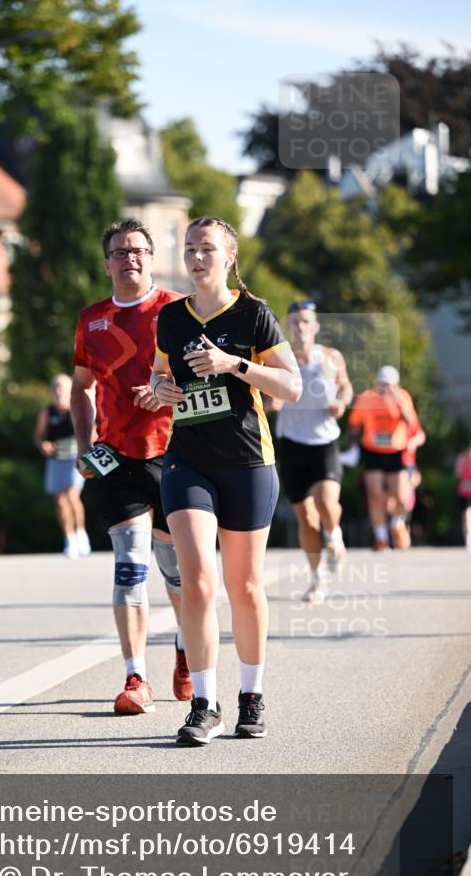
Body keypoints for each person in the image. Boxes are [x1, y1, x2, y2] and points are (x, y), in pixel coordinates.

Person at [151, 216, 302, 746]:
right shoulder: (170, 318)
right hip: (187, 460)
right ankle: (203, 704)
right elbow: (160, 372)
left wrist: (233, 364)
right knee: (196, 581)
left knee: (245, 585)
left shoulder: (254, 315)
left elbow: (292, 387)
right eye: (189, 248)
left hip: (246, 462)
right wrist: (160, 389)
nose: (196, 257)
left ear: (229, 257)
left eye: (206, 249)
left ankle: (251, 696)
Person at [71, 218, 192, 715]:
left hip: (177, 455)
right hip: (116, 457)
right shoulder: (92, 319)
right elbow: (80, 387)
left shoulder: (176, 311)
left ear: (152, 256)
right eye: (120, 252)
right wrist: (85, 446)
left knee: (177, 572)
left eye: (138, 250)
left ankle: (186, 648)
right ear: (107, 263)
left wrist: (164, 392)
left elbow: (203, 381)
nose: (130, 259)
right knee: (129, 567)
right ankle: (135, 676)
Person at [271, 300, 353, 603]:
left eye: (305, 322)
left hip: (324, 442)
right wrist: (271, 403)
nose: (300, 327)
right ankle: (318, 577)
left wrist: (341, 402)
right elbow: (265, 395)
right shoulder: (279, 359)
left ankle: (335, 536)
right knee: (306, 518)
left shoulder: (330, 357)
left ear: (315, 326)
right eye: (294, 322)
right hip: (291, 443)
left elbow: (345, 386)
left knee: (326, 502)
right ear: (287, 327)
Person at [348, 366, 421, 550]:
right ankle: (381, 537)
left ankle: (397, 524)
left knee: (401, 496)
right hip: (373, 450)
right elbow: (353, 423)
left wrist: (398, 401)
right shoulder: (366, 398)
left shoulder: (403, 397)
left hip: (396, 451)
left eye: (389, 385)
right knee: (374, 496)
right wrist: (354, 444)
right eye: (382, 385)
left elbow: (412, 423)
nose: (385, 389)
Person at [34, 373, 90, 559]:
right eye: (55, 387)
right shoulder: (47, 412)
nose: (58, 391)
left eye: (62, 387)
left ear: (69, 390)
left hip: (75, 459)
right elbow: (39, 435)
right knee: (59, 500)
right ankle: (69, 539)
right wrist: (43, 444)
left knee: (72, 495)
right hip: (56, 459)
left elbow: (93, 432)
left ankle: (81, 533)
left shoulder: (77, 409)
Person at [455, 440, 471, 550]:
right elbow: (458, 474)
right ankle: (469, 537)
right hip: (465, 493)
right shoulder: (462, 460)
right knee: (467, 515)